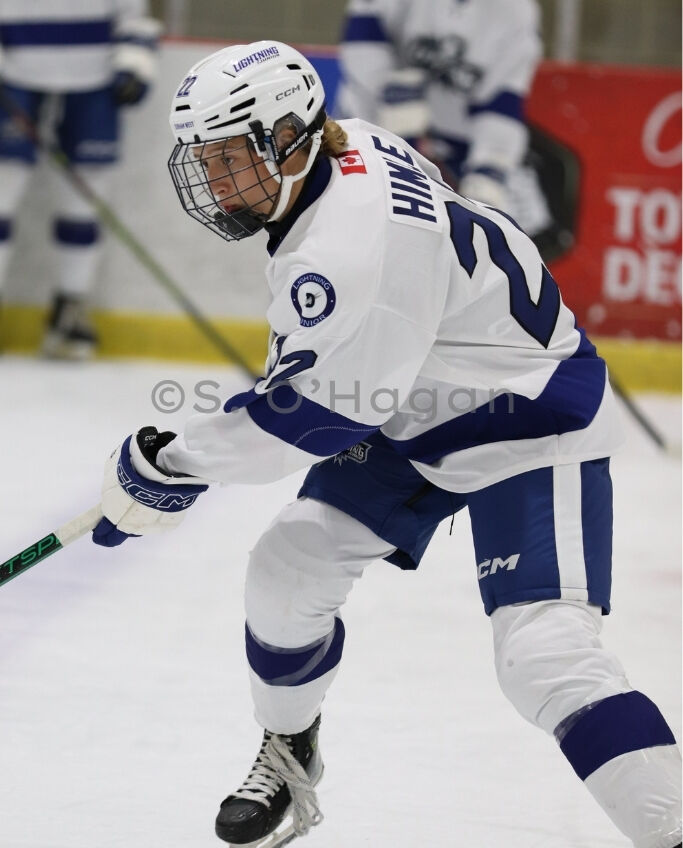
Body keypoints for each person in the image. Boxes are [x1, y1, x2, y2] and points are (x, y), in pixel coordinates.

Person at [92, 41, 682, 848]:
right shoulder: (349, 149)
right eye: (205, 159)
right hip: (411, 402)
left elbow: (313, 420)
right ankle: (290, 749)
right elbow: (339, 382)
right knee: (287, 569)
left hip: (527, 420)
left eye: (230, 158)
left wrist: (171, 464)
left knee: (543, 656)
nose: (216, 181)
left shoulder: (348, 248)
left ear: (290, 138)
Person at [0, 0, 160, 359]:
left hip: (96, 76)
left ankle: (69, 309)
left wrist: (134, 64)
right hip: (11, 69)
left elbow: (133, 16)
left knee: (84, 200)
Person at [335, 0, 555, 241]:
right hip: (369, 127)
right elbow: (361, 39)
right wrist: (390, 92)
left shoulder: (516, 10)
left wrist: (490, 166)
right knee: (353, 220)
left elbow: (502, 103)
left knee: (512, 223)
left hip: (456, 144)